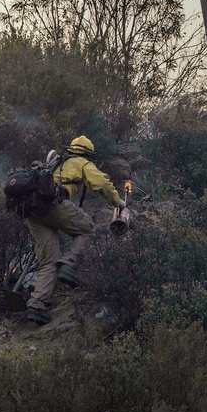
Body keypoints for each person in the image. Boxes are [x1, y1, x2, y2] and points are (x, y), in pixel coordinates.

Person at [24, 135, 125, 325]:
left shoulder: (55, 163)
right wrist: (118, 202)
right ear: (88, 154)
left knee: (48, 260)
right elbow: (101, 183)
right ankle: (69, 265)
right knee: (88, 229)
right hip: (54, 204)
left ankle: (37, 305)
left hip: (33, 212)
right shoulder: (81, 163)